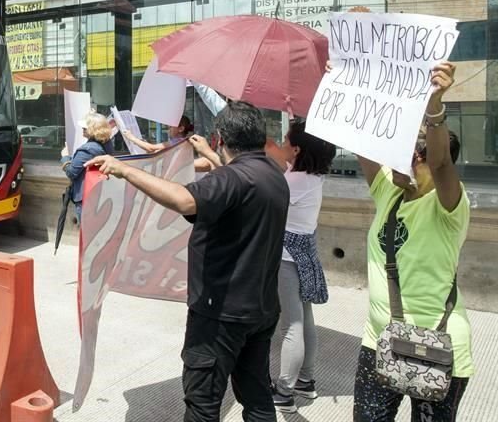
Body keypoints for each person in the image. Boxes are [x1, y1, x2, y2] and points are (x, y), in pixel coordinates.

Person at [88, 101, 289, 421]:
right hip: (261, 309)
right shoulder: (272, 175)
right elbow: (233, 184)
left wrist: (126, 169)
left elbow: (184, 199)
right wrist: (210, 158)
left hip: (220, 315)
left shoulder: (234, 179)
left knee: (203, 404)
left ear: (220, 138)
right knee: (257, 398)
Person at [351, 61, 473, 421]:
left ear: (418, 158)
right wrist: (357, 83)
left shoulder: (449, 204)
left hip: (436, 347)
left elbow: (440, 165)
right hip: (379, 342)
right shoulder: (389, 192)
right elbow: (363, 143)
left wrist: (433, 106)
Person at [270, 120, 336, 413]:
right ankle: (305, 381)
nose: (282, 145)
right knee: (305, 319)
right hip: (304, 253)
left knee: (291, 326)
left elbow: (267, 202)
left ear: (296, 149)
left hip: (286, 257)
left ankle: (284, 390)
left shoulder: (294, 181)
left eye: (285, 141)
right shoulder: (311, 175)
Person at [60, 113, 113, 220]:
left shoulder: (87, 150)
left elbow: (71, 172)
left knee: (86, 232)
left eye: (85, 127)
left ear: (93, 130)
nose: (83, 129)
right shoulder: (107, 143)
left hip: (86, 197)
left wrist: (65, 157)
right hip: (100, 194)